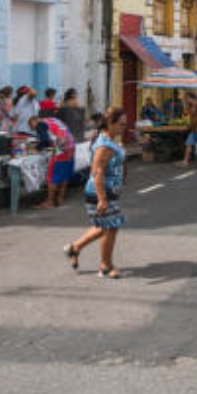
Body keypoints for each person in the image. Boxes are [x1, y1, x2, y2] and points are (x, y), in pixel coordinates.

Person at [64, 106, 127, 278]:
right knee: (110, 227)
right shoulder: (104, 145)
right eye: (121, 124)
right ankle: (105, 266)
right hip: (100, 193)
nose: (124, 127)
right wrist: (102, 199)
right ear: (111, 123)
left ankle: (74, 248)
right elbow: (97, 172)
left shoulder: (110, 140)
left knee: (103, 227)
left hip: (109, 191)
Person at [36, 117, 76, 209]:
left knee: (52, 176)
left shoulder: (40, 124)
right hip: (71, 146)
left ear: (34, 121)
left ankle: (50, 202)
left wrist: (37, 148)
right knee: (64, 174)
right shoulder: (55, 120)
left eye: (32, 126)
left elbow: (44, 140)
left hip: (60, 149)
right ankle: (60, 198)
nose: (34, 129)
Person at [182, 95, 197, 167]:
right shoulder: (190, 106)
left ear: (193, 99)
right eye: (187, 99)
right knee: (188, 144)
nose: (188, 100)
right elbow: (185, 113)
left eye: (189, 99)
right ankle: (185, 161)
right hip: (193, 129)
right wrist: (185, 104)